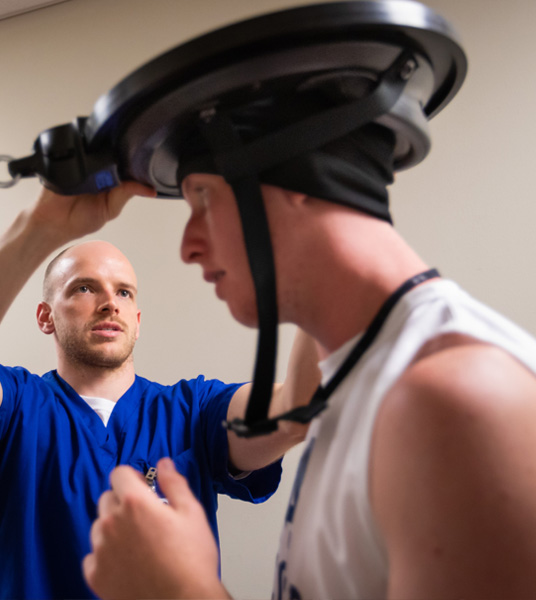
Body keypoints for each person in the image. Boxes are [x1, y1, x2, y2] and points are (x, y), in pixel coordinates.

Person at [80, 5, 536, 600]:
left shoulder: (454, 403)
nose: (189, 248)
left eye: (202, 199)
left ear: (295, 184)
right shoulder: (357, 382)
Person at [0, 181, 320, 599]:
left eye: (123, 291)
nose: (109, 302)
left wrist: (311, 244)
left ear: (137, 318)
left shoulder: (194, 411)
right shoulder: (15, 407)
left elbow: (297, 408)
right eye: (84, 287)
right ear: (45, 317)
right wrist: (39, 229)